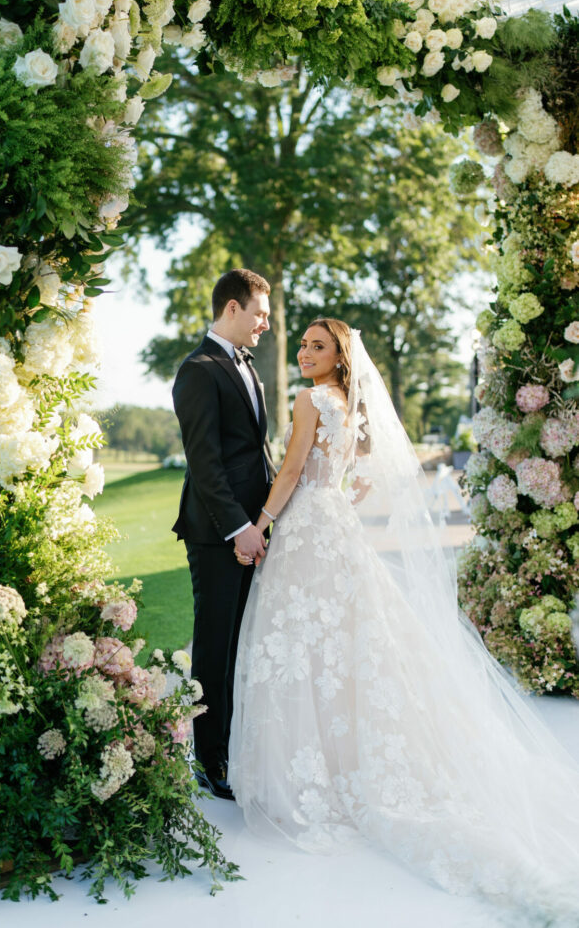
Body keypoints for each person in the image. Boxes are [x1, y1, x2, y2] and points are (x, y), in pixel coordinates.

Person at [229, 317, 579, 925]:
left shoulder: (310, 400)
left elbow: (289, 471)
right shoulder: (351, 404)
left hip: (308, 528)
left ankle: (315, 770)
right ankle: (342, 758)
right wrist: (335, 497)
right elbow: (362, 475)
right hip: (337, 525)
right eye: (304, 345)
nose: (305, 353)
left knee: (305, 644)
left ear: (339, 356)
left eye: (318, 346)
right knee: (345, 645)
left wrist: (261, 524)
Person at [172, 269, 276, 800]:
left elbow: (255, 452)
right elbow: (205, 464)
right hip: (219, 535)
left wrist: (271, 516)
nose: (266, 324)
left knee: (244, 643)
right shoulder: (198, 371)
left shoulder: (248, 366)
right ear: (232, 308)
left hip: (255, 529)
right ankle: (209, 761)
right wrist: (239, 529)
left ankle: (236, 747)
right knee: (215, 648)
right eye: (260, 314)